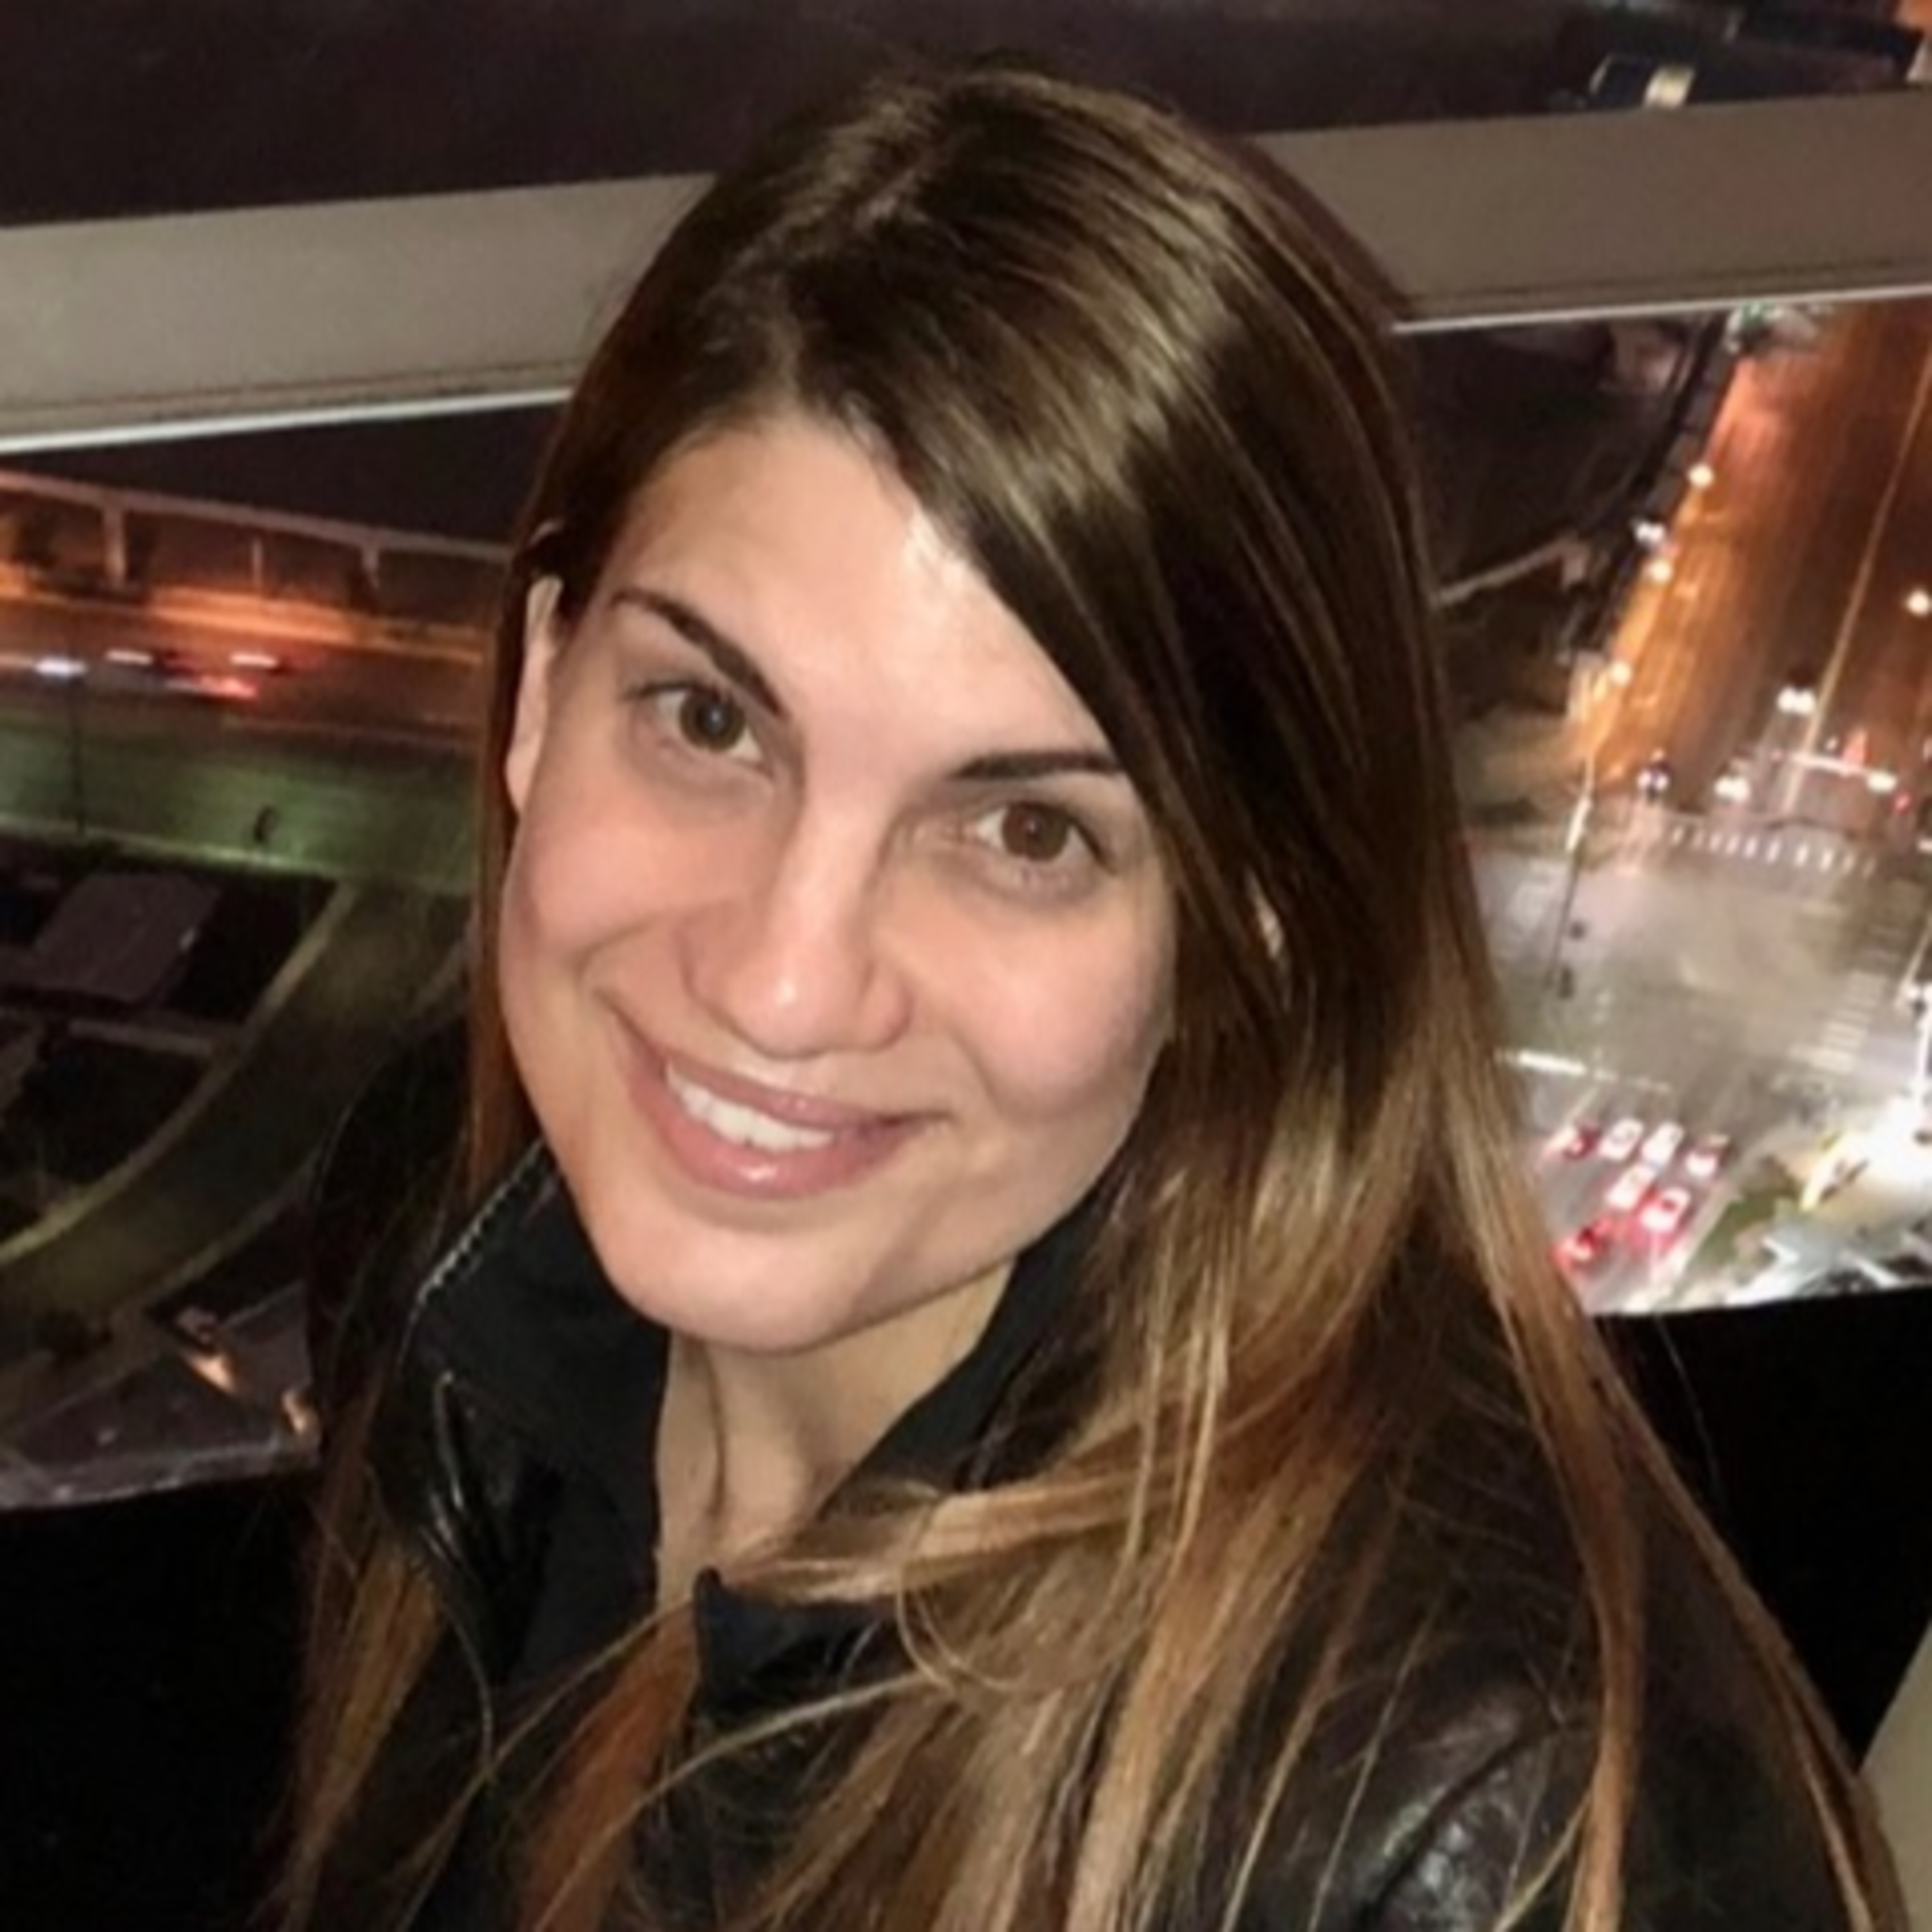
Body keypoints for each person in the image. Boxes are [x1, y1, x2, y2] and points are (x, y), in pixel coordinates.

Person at [278, 58, 1905, 1932]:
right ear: (545, 685)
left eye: (1027, 833)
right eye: (709, 719)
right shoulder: (445, 1241)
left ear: (1245, 931)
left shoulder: (1484, 1844)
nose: (785, 982)